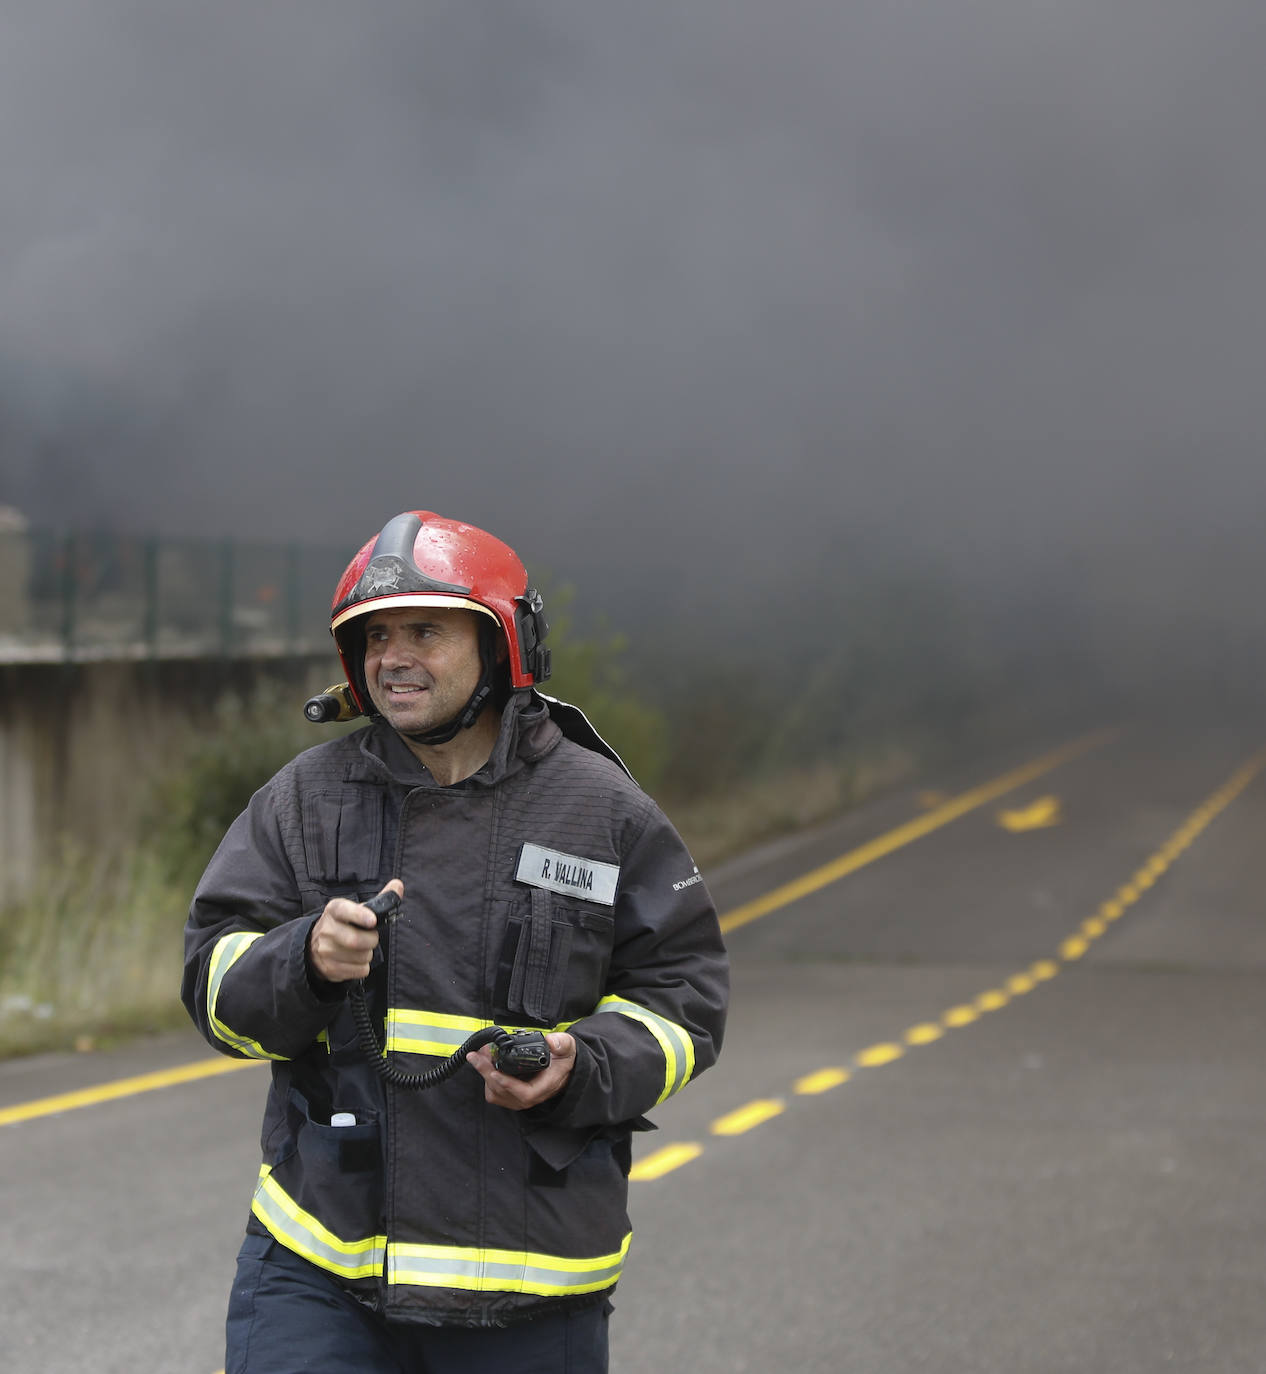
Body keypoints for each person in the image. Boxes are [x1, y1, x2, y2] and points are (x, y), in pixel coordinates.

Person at [182, 509, 729, 1374]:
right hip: (320, 1272)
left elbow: (684, 1003)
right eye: (375, 637)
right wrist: (305, 963)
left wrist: (579, 1064)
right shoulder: (302, 800)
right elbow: (213, 986)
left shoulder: (603, 812)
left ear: (503, 643)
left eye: (426, 631)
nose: (393, 657)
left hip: (529, 1289)